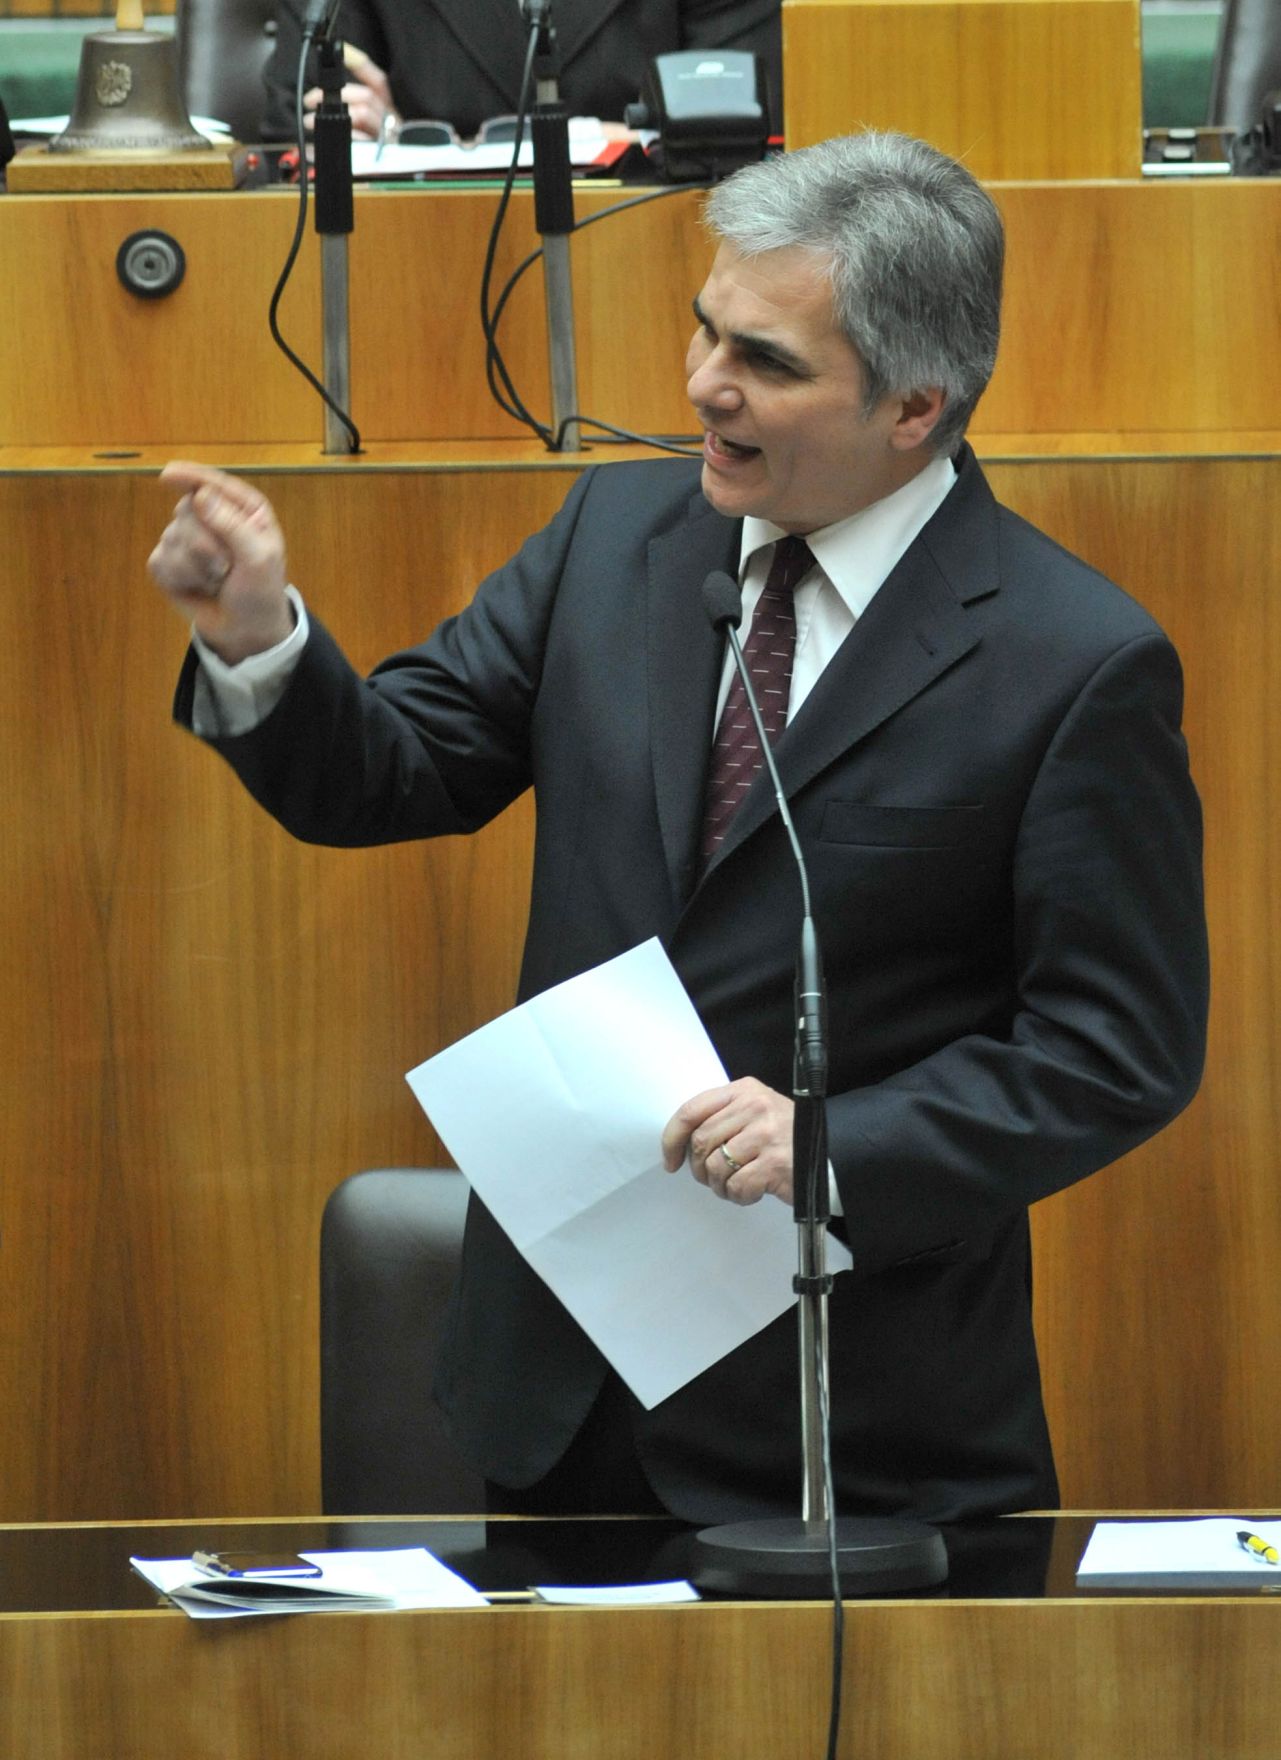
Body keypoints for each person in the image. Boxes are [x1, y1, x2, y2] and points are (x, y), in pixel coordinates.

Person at [148, 131, 1209, 1527]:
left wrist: (839, 1141)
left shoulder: (1072, 661)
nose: (703, 384)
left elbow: (1114, 1050)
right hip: (556, 1399)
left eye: (765, 362)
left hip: (851, 1420)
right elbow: (395, 774)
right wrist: (262, 641)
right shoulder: (616, 539)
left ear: (913, 407)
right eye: (706, 329)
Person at [262, 0, 784, 143]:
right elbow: (298, 119)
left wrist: (435, 142)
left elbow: (746, 121)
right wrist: (377, 138)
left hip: (654, 250)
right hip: (418, 258)